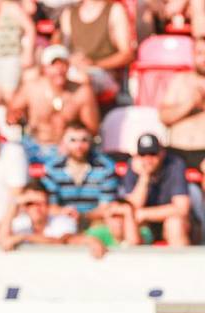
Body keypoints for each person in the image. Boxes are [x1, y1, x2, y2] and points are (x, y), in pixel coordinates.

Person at [7, 44, 99, 162]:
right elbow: (11, 114)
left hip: (67, 150)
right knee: (13, 154)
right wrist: (15, 116)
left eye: (63, 64)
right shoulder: (31, 88)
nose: (59, 69)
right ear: (44, 68)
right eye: (53, 65)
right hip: (34, 145)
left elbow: (92, 129)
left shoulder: (82, 92)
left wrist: (72, 140)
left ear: (69, 66)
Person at [0, 180, 107, 258]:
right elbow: (2, 240)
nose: (36, 208)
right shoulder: (20, 223)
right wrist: (14, 204)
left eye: (40, 203)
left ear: (48, 204)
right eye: (29, 203)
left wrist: (24, 237)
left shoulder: (62, 221)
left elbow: (61, 242)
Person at [41, 121, 118, 225]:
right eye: (73, 140)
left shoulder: (105, 168)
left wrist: (83, 217)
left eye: (84, 140)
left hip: (97, 223)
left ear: (91, 141)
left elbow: (107, 207)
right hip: (62, 222)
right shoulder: (52, 168)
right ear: (63, 142)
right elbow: (49, 206)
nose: (79, 146)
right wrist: (63, 213)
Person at [122, 133, 192, 246]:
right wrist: (144, 176)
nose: (148, 159)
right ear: (137, 156)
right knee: (127, 224)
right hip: (145, 224)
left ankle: (180, 263)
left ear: (162, 153)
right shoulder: (133, 167)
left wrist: (144, 213)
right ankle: (132, 262)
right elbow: (132, 207)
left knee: (174, 224)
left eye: (152, 154)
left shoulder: (174, 164)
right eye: (143, 154)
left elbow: (182, 208)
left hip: (169, 221)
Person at [57, 0, 134, 99]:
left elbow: (127, 54)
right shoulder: (68, 13)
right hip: (74, 70)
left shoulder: (115, 11)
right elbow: (63, 52)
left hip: (104, 75)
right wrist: (71, 60)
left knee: (83, 81)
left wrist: (95, 63)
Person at [158, 35, 205, 174]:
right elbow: (164, 117)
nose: (203, 59)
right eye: (200, 53)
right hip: (176, 150)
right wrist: (190, 104)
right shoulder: (180, 80)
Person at [0, 0, 36, 104]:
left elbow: (30, 28)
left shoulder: (12, 8)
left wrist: (28, 53)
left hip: (12, 57)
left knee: (9, 95)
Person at [86, 199, 152, 247]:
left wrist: (128, 211)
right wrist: (92, 241)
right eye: (114, 216)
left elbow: (133, 245)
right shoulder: (100, 231)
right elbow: (76, 239)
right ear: (106, 219)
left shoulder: (144, 232)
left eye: (122, 216)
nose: (118, 220)